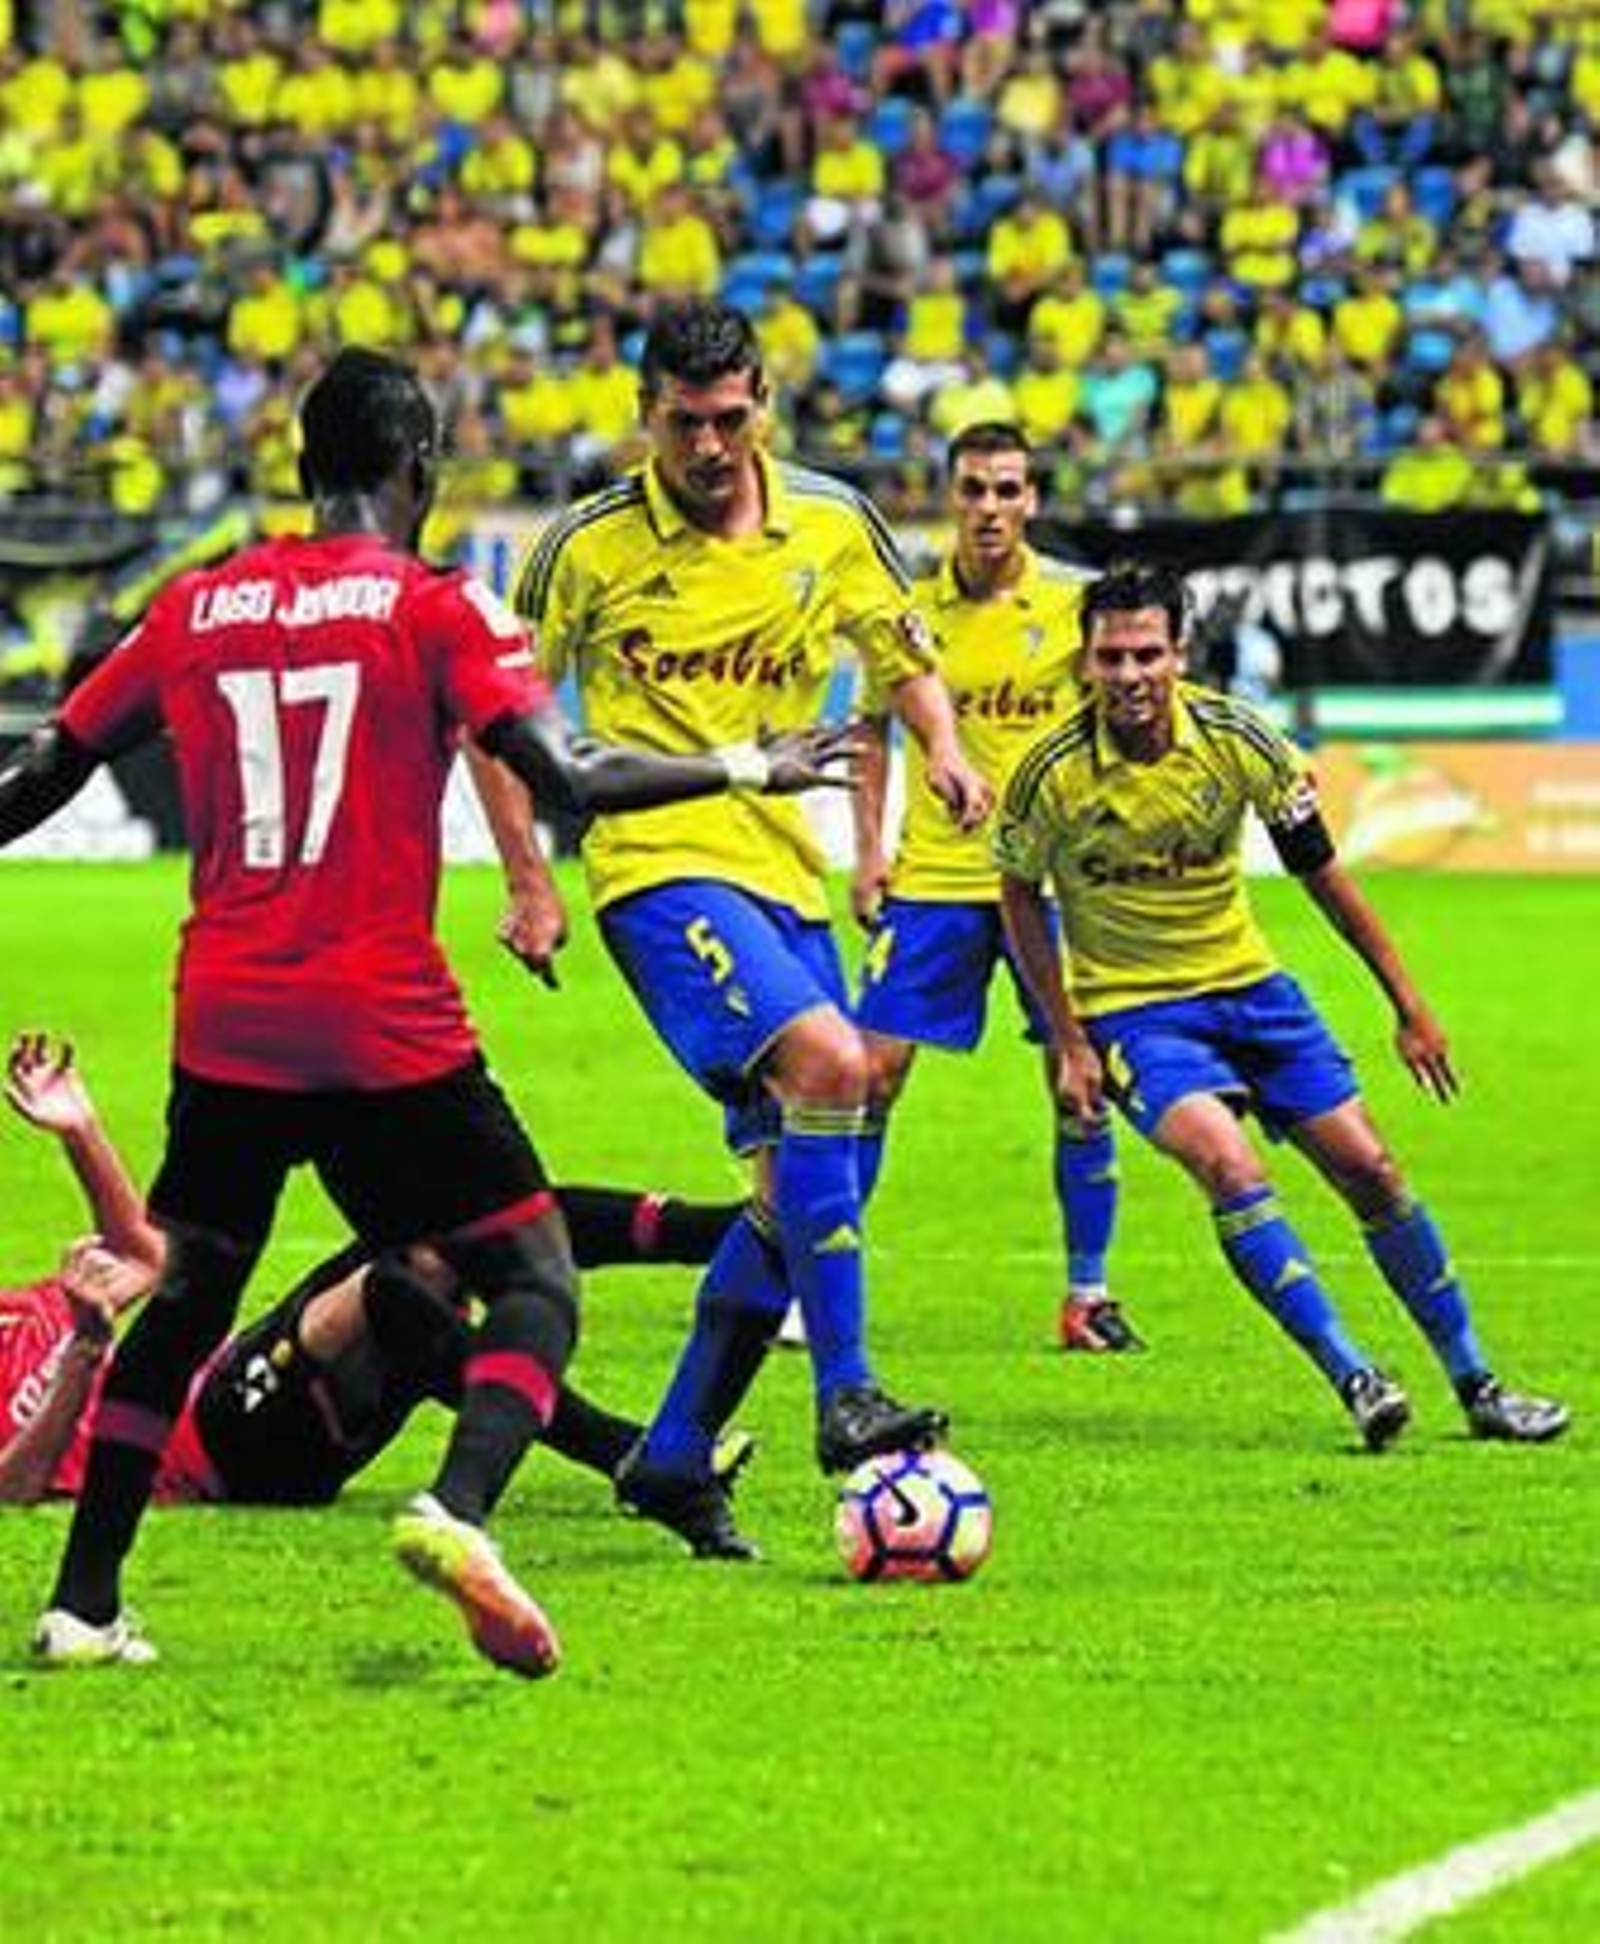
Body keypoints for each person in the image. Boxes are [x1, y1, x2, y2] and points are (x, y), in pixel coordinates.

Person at [0, 345, 853, 1674]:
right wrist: (749, 758)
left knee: (183, 1310)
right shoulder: (434, 606)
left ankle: (85, 1606)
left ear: (303, 468)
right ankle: (458, 1512)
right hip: (378, 1015)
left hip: (225, 1017)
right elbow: (564, 772)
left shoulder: (197, 605)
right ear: (422, 471)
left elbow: (51, 761)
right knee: (527, 1271)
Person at [480, 301, 993, 1558]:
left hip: (784, 873)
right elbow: (494, 718)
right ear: (644, 412)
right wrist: (528, 880)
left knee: (808, 1171)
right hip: (655, 866)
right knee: (832, 1066)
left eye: (729, 418)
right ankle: (846, 1392)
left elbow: (898, 647)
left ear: (763, 403)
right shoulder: (584, 547)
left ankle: (668, 1455)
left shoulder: (831, 518)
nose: (709, 445)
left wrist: (943, 745)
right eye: (683, 422)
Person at [994, 561, 1569, 1451]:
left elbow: (1324, 877)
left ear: (1181, 654)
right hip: (1138, 1016)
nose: (1130, 676)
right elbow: (1019, 894)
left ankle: (1478, 1383)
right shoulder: (1050, 775)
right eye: (1111, 658)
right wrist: (1069, 1039)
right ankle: (1355, 1375)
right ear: (1086, 664)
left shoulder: (1241, 741)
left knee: (1372, 1169)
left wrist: (1408, 1004)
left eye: (1147, 653)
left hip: (1253, 991)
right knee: (1230, 1167)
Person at [0, 1034, 745, 1523]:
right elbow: (15, 1486)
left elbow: (149, 1260)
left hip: (234, 1379)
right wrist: (87, 1352)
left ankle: (736, 1234)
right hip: (227, 1452)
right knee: (388, 1291)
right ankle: (626, 1450)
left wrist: (79, 1130)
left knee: (444, 1227)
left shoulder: (18, 1311)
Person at [851, 423, 1136, 1354]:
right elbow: (870, 736)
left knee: (1079, 1080)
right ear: (949, 494)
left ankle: (1087, 1296)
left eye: (1007, 491)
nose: (989, 509)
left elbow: (1120, 728)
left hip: (1051, 883)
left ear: (1033, 500)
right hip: (935, 875)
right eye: (973, 489)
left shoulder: (1073, 606)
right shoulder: (906, 610)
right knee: (868, 1076)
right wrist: (866, 854)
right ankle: (815, 1281)